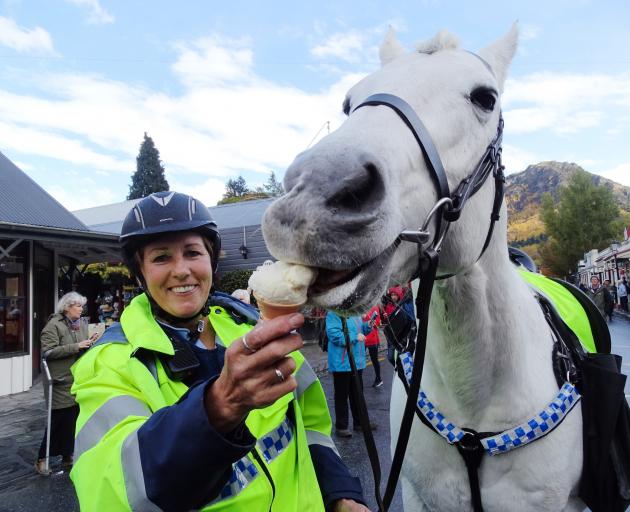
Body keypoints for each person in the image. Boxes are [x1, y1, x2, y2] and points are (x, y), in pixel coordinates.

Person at [70, 192, 368, 512]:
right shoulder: (109, 363)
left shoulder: (249, 326)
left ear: (210, 261)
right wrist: (217, 407)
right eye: (161, 257)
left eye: (192, 252)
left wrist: (339, 493)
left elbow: (309, 423)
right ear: (140, 274)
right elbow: (114, 490)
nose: (182, 270)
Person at [36, 291, 97, 475]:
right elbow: (48, 352)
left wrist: (89, 343)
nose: (81, 309)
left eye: (81, 306)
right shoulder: (53, 326)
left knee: (73, 419)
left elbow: (79, 349)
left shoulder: (78, 325)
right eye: (78, 305)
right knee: (57, 420)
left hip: (75, 378)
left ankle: (67, 455)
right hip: (60, 380)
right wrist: (76, 346)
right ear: (68, 307)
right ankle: (41, 459)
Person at [326, 310, 374, 438]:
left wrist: (367, 326)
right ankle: (341, 426)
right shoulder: (334, 313)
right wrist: (354, 337)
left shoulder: (354, 312)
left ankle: (360, 423)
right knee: (342, 396)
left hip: (356, 361)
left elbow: (361, 331)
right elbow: (334, 335)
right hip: (342, 363)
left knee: (358, 394)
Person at [362, 306, 383, 387]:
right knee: (358, 359)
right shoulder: (360, 307)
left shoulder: (374, 307)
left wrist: (367, 317)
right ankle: (355, 380)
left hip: (372, 339)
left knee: (374, 360)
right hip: (361, 339)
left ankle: (379, 379)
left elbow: (377, 323)